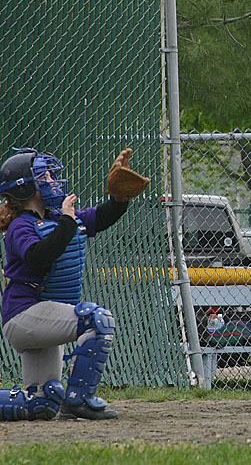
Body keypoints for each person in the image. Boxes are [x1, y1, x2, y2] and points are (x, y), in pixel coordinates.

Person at [0, 147, 146, 420]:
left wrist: (119, 198)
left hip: (44, 315)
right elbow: (40, 255)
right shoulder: (21, 226)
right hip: (24, 315)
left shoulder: (56, 217)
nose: (54, 181)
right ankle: (80, 400)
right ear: (25, 188)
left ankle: (56, 401)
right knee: (96, 319)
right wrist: (67, 220)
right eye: (46, 177)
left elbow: (99, 218)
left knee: (41, 404)